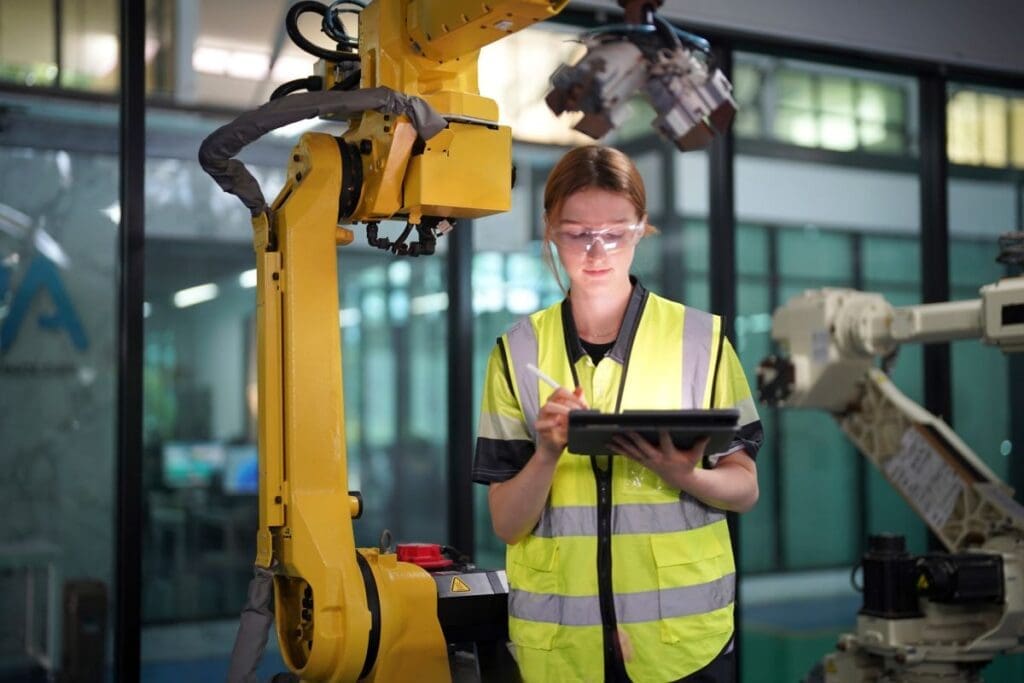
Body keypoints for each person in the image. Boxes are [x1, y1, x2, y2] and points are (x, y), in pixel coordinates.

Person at [472, 145, 763, 683]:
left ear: (642, 228)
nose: (597, 250)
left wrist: (686, 475)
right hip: (560, 648)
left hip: (683, 644)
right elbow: (507, 525)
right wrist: (546, 453)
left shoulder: (701, 341)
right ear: (550, 230)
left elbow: (745, 489)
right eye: (577, 233)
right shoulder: (516, 353)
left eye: (615, 232)